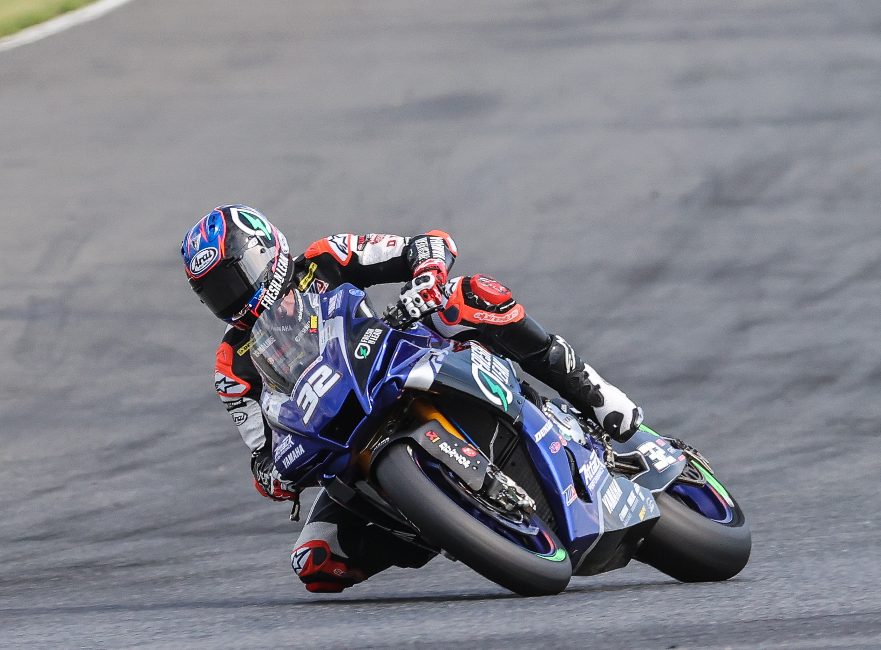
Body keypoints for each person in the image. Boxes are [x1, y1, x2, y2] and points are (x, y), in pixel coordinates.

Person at [181, 206, 642, 594]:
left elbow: (426, 245)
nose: (229, 298)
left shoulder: (326, 259)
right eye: (214, 292)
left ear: (264, 254)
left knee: (472, 295)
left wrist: (426, 277)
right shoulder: (231, 365)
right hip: (339, 439)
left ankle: (593, 392)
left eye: (232, 279)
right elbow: (260, 446)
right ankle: (443, 527)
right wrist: (271, 475)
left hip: (394, 358)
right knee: (316, 561)